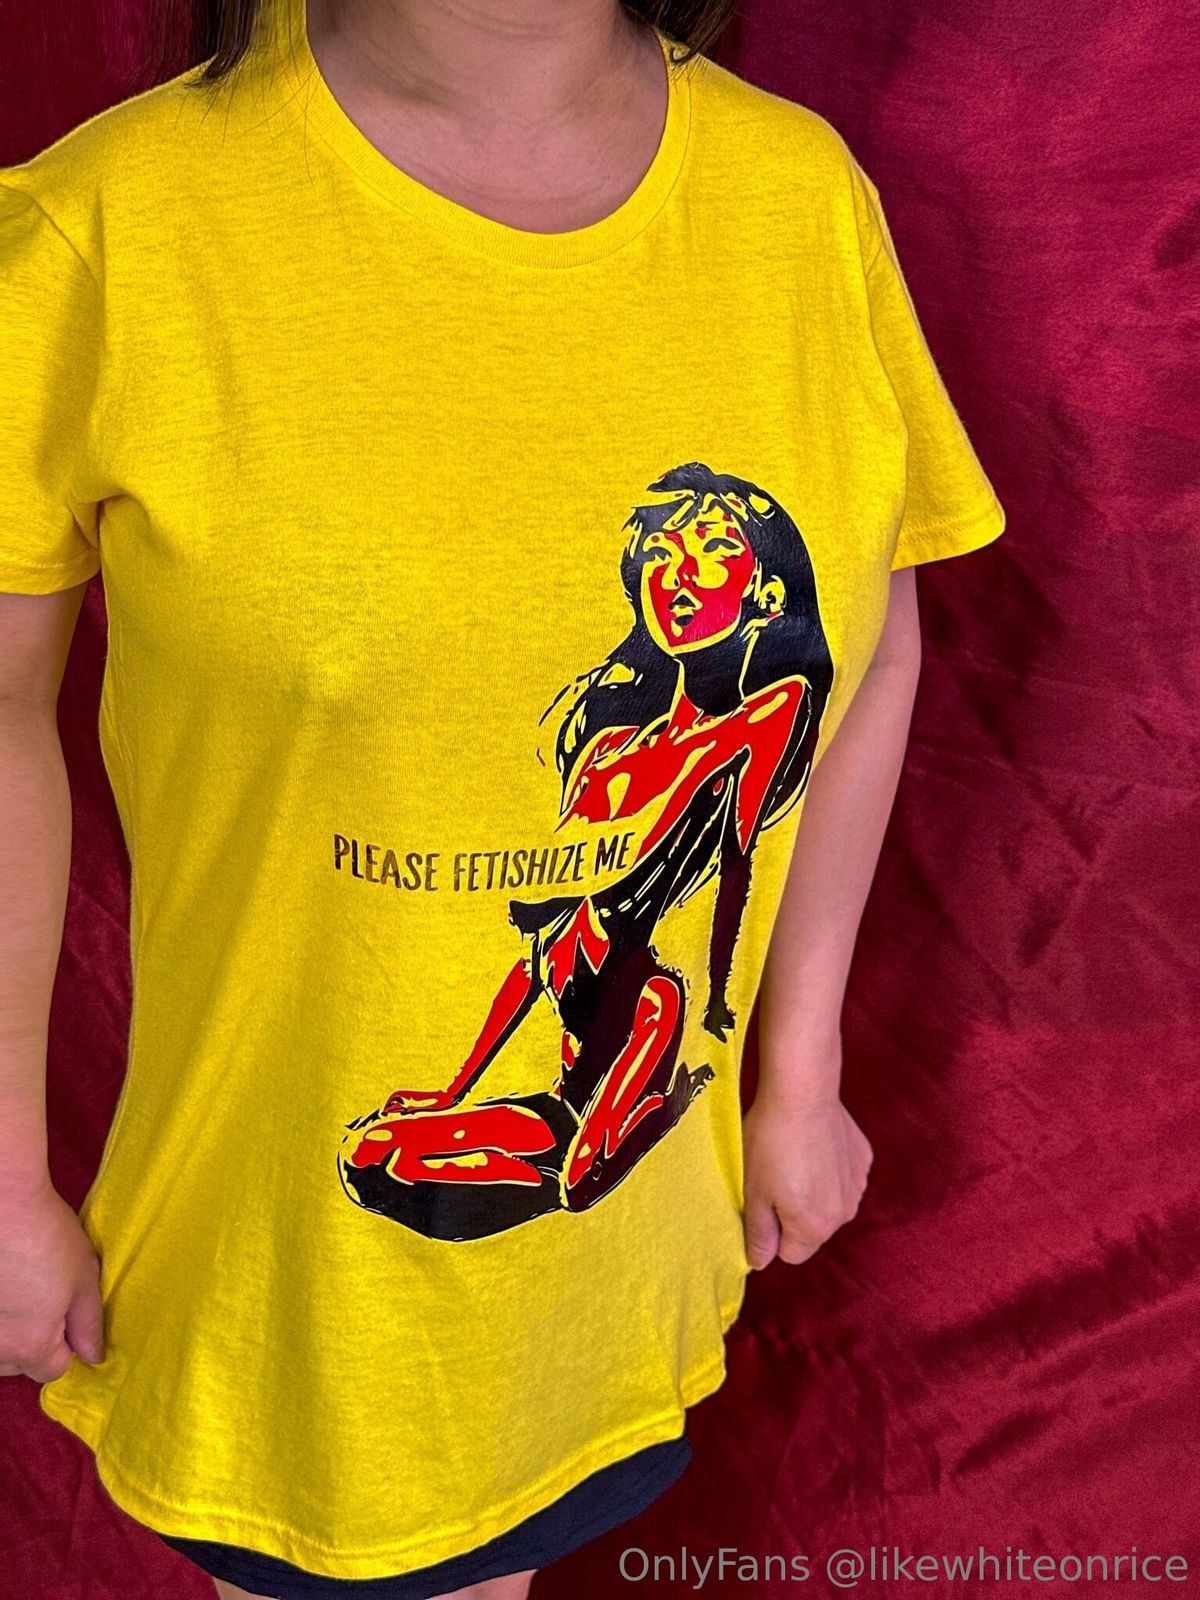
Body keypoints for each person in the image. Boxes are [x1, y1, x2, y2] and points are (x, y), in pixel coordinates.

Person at [0, 0, 1006, 1595]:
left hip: (628, 1274)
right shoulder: (112, 225)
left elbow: (872, 650)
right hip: (292, 1295)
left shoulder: (800, 200)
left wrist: (799, 1075)